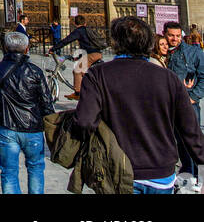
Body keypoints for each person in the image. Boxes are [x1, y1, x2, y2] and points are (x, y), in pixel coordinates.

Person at [76, 16, 204, 194]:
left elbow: (84, 121)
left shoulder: (98, 75)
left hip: (120, 168)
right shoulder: (168, 78)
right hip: (161, 171)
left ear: (116, 42)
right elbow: (190, 128)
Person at [0, 29, 55, 195]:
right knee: (35, 168)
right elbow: (46, 102)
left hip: (6, 127)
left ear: (5, 48)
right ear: (27, 49)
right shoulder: (35, 72)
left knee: (9, 172)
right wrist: (51, 126)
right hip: (33, 127)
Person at [165, 20, 204, 183]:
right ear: (165, 34)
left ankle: (197, 172)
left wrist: (193, 97)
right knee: (176, 139)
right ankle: (186, 169)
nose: (174, 39)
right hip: (167, 104)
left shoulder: (192, 52)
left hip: (188, 104)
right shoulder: (160, 52)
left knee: (191, 139)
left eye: (177, 35)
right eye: (171, 36)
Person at [53, 14, 104, 100]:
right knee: (84, 71)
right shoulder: (88, 30)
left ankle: (77, 93)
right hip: (97, 53)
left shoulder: (79, 31)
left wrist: (54, 48)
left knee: (77, 70)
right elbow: (87, 45)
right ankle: (87, 89)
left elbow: (66, 40)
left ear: (75, 23)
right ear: (85, 23)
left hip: (91, 55)